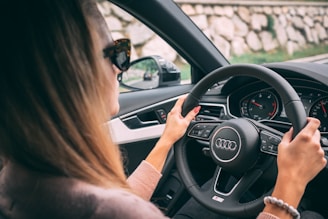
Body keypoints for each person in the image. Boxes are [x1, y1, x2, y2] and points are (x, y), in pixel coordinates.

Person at [0, 0, 325, 219]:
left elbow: (122, 198)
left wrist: (167, 141)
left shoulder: (17, 178)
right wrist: (290, 184)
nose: (120, 68)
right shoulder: (113, 210)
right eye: (118, 53)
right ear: (74, 71)